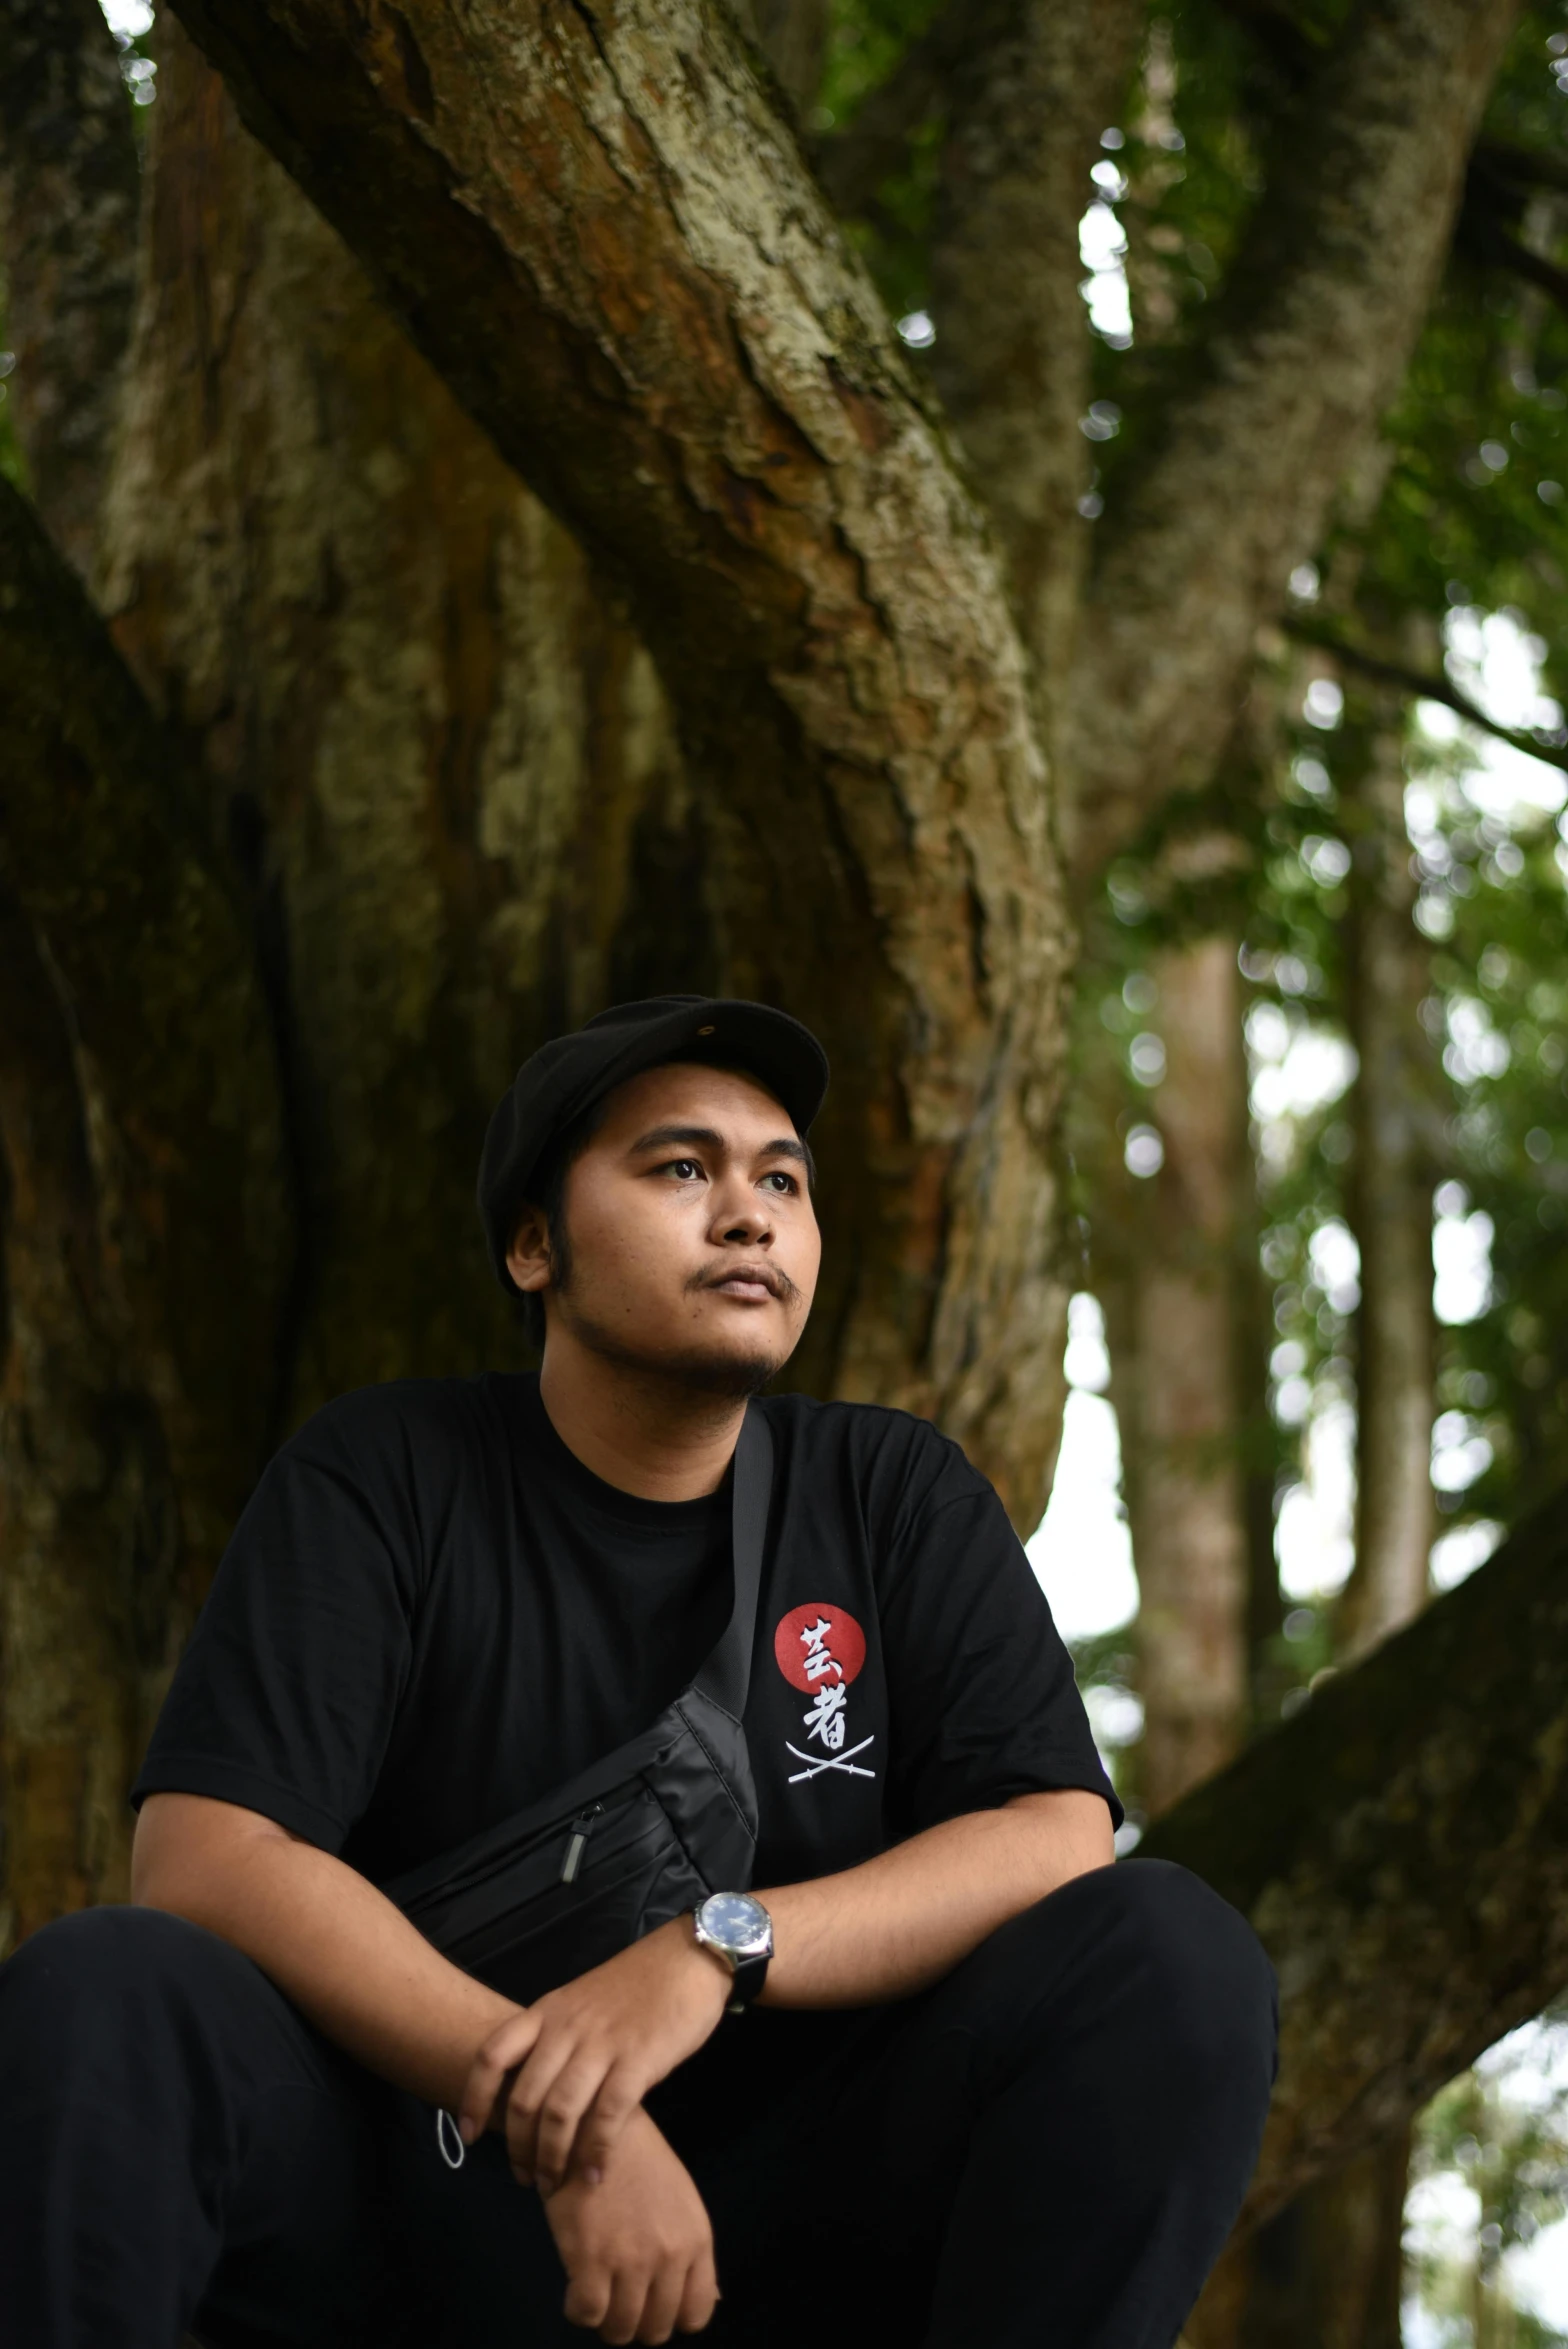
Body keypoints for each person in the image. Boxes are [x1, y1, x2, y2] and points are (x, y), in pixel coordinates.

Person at [0, 995, 1275, 2349]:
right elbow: (207, 1852)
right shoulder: (385, 1475)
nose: (749, 1214)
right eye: (681, 1169)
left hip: (802, 2225)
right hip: (425, 2199)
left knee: (1173, 1953)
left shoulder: (889, 1492)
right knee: (110, 1990)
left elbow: (1056, 1832)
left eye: (781, 1178)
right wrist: (569, 2120)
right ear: (534, 1245)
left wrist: (718, 1949)